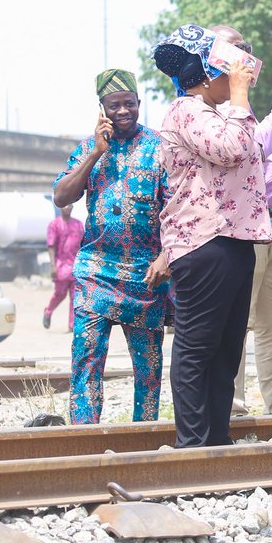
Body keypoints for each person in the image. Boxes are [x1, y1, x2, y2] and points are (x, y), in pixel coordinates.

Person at [154, 25, 272, 448]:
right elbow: (232, 150)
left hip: (234, 240)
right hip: (205, 242)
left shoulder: (213, 112)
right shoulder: (187, 111)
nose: (235, 79)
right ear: (207, 73)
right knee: (197, 346)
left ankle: (216, 439)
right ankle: (193, 445)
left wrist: (238, 96)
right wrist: (240, 96)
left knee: (225, 351)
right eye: (228, 71)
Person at [53, 68, 171, 425]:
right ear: (101, 107)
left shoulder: (159, 147)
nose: (123, 111)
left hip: (145, 276)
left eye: (129, 104)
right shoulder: (88, 148)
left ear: (138, 104)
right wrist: (95, 154)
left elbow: (177, 208)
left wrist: (167, 256)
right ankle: (84, 443)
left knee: (148, 372)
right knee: (85, 363)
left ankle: (144, 443)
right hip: (95, 272)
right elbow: (61, 196)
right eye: (114, 105)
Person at [210, 25, 272, 417]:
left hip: (265, 230)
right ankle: (231, 408)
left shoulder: (240, 102)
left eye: (247, 49)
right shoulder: (214, 104)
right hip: (237, 231)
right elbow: (258, 146)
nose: (247, 57)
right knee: (238, 324)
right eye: (238, 49)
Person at [44, 204, 84, 331]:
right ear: (60, 207)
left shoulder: (78, 224)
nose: (67, 208)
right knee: (60, 294)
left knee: (75, 296)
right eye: (64, 206)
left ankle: (72, 325)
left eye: (69, 205)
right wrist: (53, 266)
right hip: (61, 265)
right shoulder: (54, 224)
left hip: (76, 265)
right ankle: (48, 311)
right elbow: (51, 246)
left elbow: (83, 244)